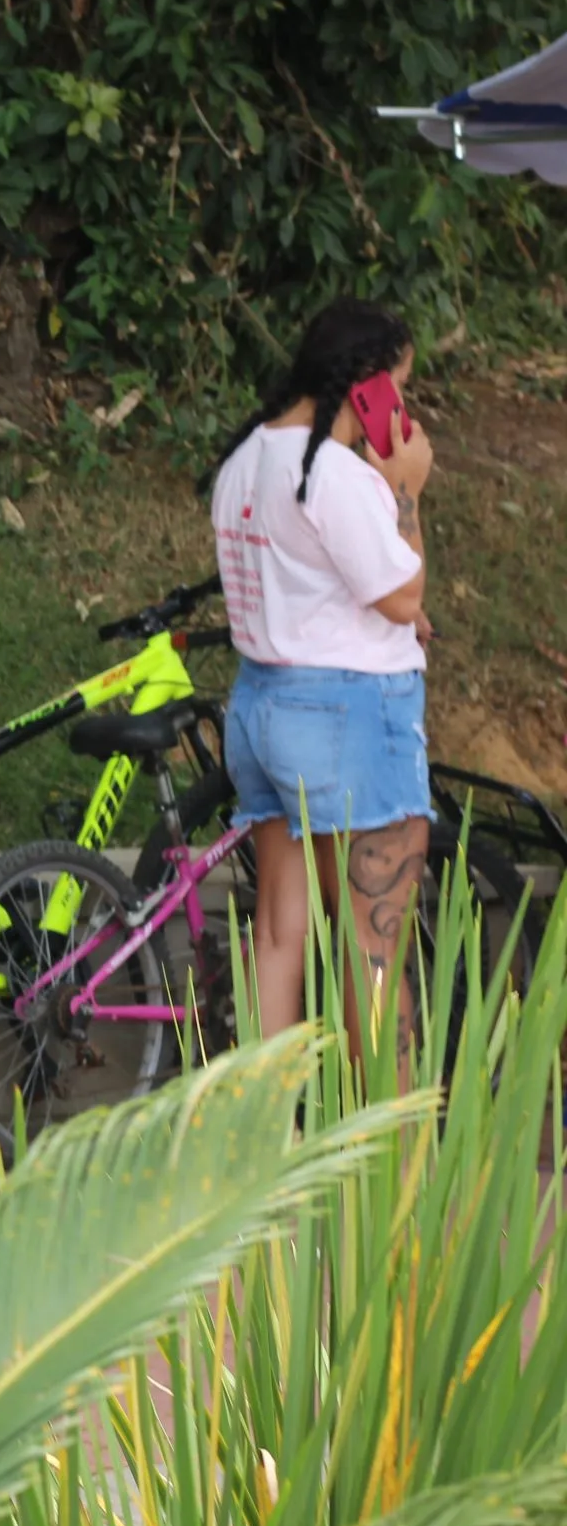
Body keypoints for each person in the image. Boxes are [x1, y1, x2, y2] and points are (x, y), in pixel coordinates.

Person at [209, 297, 433, 1041]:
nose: (402, 405)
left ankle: (269, 1142)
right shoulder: (332, 472)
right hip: (348, 719)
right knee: (372, 944)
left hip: (263, 706)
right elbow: (403, 596)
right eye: (398, 386)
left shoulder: (246, 460)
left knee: (280, 935)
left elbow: (312, 585)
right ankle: (398, 1158)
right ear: (366, 384)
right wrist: (404, 486)